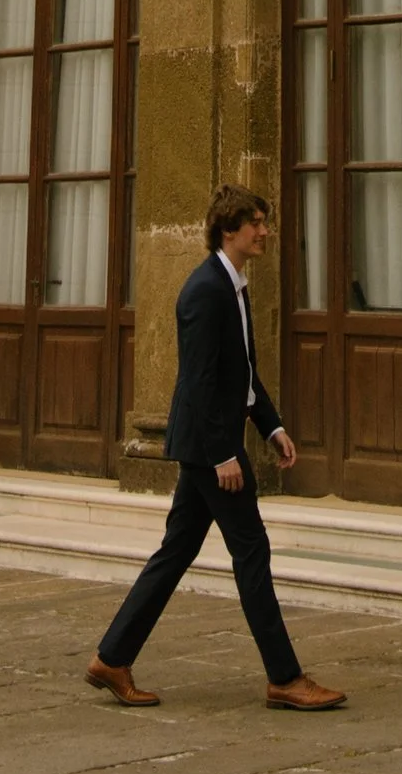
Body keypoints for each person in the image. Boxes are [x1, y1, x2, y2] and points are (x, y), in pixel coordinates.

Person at [86, 184, 346, 711]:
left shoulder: (235, 284)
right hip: (210, 446)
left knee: (177, 550)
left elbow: (242, 371)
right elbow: (201, 381)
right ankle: (285, 678)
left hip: (212, 440)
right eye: (257, 222)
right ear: (230, 229)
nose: (265, 231)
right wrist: (225, 452)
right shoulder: (205, 289)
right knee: (252, 551)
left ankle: (112, 658)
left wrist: (270, 425)